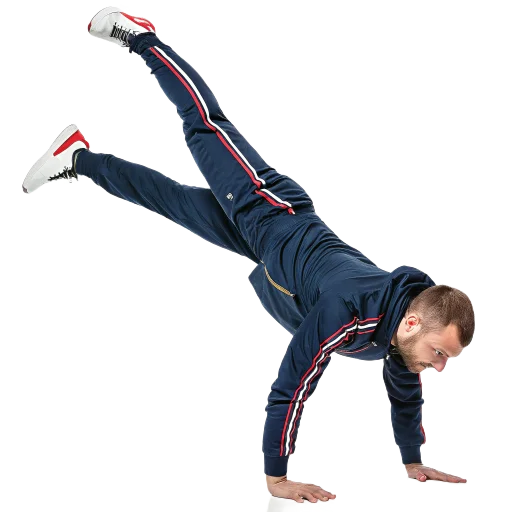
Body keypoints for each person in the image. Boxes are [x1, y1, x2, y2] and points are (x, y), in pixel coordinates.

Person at [22, 6, 475, 503]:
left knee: (167, 199)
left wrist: (413, 460)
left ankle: (79, 157)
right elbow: (294, 383)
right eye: (440, 353)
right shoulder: (349, 311)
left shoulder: (402, 339)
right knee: (204, 126)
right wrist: (277, 476)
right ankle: (143, 38)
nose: (439, 367)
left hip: (265, 246)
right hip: (269, 208)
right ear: (412, 323)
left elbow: (405, 397)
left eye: (445, 359)